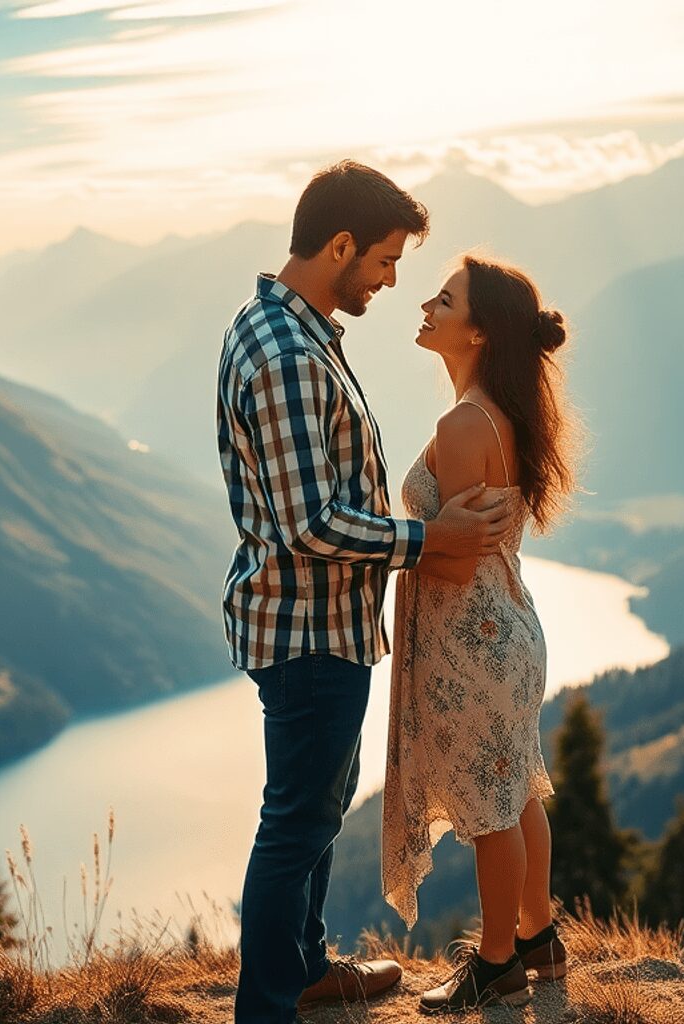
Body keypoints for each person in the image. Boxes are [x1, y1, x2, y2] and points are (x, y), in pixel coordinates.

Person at [216, 162, 516, 1024]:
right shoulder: (286, 355)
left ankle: (304, 969)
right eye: (383, 261)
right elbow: (312, 522)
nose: (391, 280)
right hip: (308, 628)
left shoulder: (287, 330)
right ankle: (269, 1007)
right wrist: (431, 539)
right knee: (295, 824)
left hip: (320, 623)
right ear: (339, 245)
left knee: (314, 810)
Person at [381, 252, 580, 1011]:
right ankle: (538, 939)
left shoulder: (464, 423)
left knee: (492, 811)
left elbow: (455, 563)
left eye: (445, 299)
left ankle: (495, 965)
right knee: (517, 790)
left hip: (473, 638)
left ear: (480, 331)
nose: (426, 306)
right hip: (508, 627)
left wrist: (394, 544)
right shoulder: (504, 412)